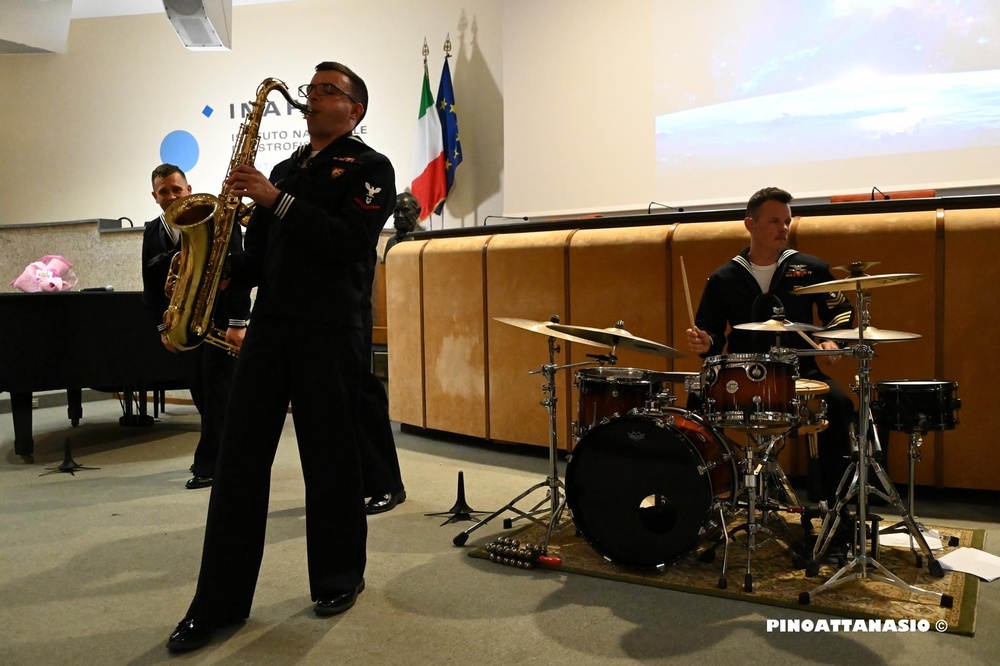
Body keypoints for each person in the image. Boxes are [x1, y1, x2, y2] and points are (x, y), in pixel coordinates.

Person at [166, 61, 396, 652]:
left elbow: (345, 243)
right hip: (270, 330)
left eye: (327, 90)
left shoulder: (371, 168)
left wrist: (276, 198)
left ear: (355, 109)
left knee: (331, 458)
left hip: (331, 329)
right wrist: (217, 276)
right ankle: (216, 604)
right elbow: (265, 255)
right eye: (313, 89)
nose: (313, 98)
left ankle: (338, 576)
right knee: (239, 462)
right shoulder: (286, 167)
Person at [685, 186, 855, 509]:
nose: (784, 228)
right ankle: (705, 496)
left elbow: (842, 311)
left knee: (839, 403)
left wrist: (833, 339)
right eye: (775, 221)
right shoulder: (724, 278)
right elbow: (709, 332)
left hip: (799, 371)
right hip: (741, 373)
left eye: (787, 221)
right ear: (750, 224)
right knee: (696, 399)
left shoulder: (809, 269)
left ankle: (834, 510)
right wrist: (705, 342)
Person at [140, 164, 250, 490]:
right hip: (184, 324)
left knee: (219, 396)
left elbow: (239, 275)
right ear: (154, 195)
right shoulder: (152, 231)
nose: (171, 196)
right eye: (164, 191)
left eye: (176, 189)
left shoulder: (220, 220)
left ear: (189, 190)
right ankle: (229, 458)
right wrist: (163, 329)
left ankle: (208, 465)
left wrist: (238, 323)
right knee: (203, 395)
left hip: (219, 323)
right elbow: (150, 287)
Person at [381, 191, 421, 263]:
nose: (400, 215)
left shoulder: (421, 240)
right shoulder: (391, 242)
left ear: (417, 212)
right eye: (396, 211)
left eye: (405, 211)